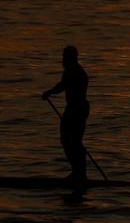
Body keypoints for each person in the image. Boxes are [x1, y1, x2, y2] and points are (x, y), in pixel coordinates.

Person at [42, 46, 90, 189]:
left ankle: (79, 174)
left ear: (71, 57)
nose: (62, 59)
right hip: (73, 109)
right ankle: (78, 173)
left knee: (74, 141)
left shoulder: (75, 72)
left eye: (65, 56)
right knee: (68, 140)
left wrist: (49, 92)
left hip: (78, 110)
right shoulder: (70, 70)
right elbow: (63, 85)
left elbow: (63, 86)